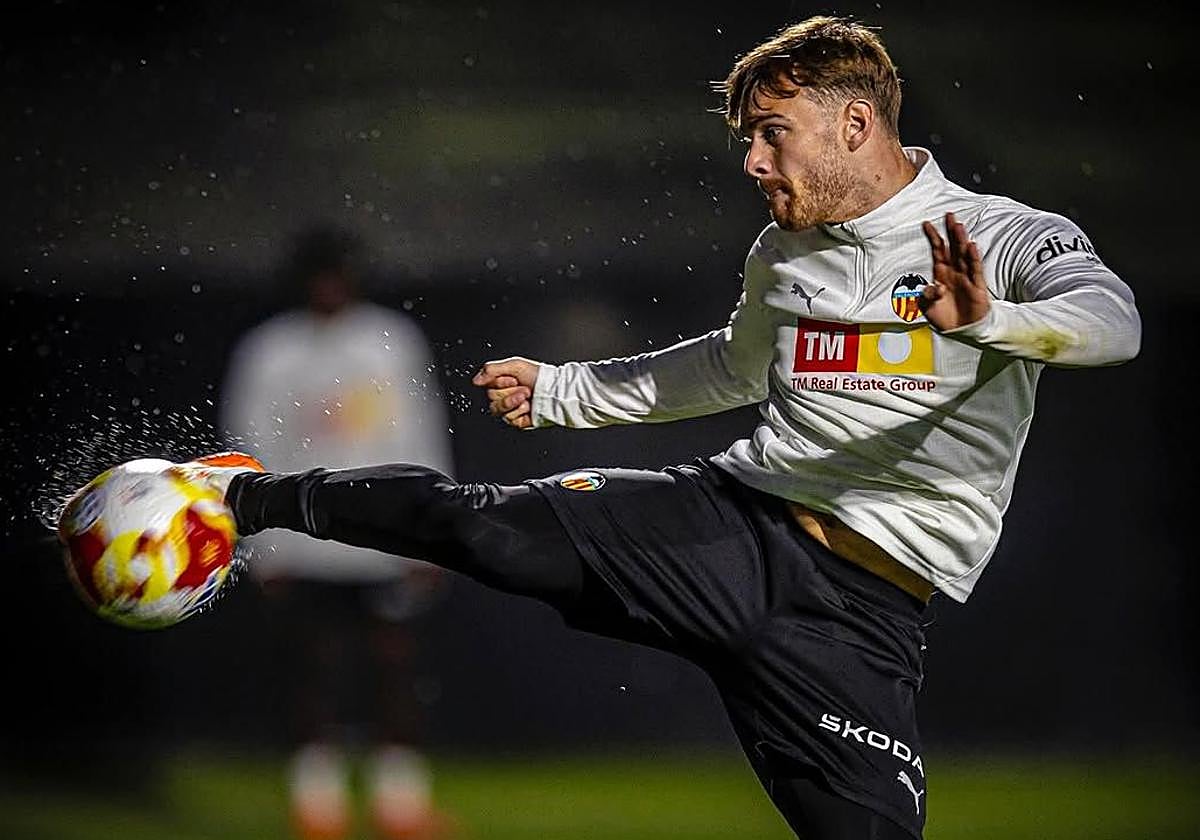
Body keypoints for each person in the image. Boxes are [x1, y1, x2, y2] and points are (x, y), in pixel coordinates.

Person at [75, 17, 1140, 839]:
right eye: (747, 139)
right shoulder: (785, 253)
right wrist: (565, 392)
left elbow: (1113, 322)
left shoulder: (1002, 236)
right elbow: (733, 367)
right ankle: (235, 492)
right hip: (733, 525)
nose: (753, 162)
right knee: (480, 524)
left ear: (854, 125)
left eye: (772, 134)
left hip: (860, 618)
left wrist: (994, 323)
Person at [219, 224, 457, 840]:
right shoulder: (270, 351)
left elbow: (419, 432)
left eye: (337, 273)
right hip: (302, 541)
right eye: (318, 275)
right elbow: (247, 448)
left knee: (393, 666)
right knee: (311, 668)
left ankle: (399, 802)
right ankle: (316, 802)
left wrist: (433, 526)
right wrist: (260, 544)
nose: (328, 286)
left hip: (382, 534)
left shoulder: (390, 341)